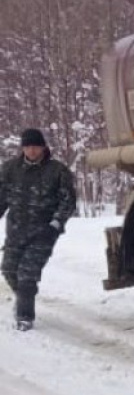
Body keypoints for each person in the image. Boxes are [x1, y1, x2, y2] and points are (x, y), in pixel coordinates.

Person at [0, 128, 76, 331]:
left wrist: (56, 224)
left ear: (43, 147)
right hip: (16, 230)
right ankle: (24, 298)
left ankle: (25, 316)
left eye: (35, 146)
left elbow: (67, 202)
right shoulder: (9, 169)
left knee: (27, 273)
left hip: (43, 232)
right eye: (28, 147)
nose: (32, 151)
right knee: (9, 270)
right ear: (23, 148)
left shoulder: (57, 171)